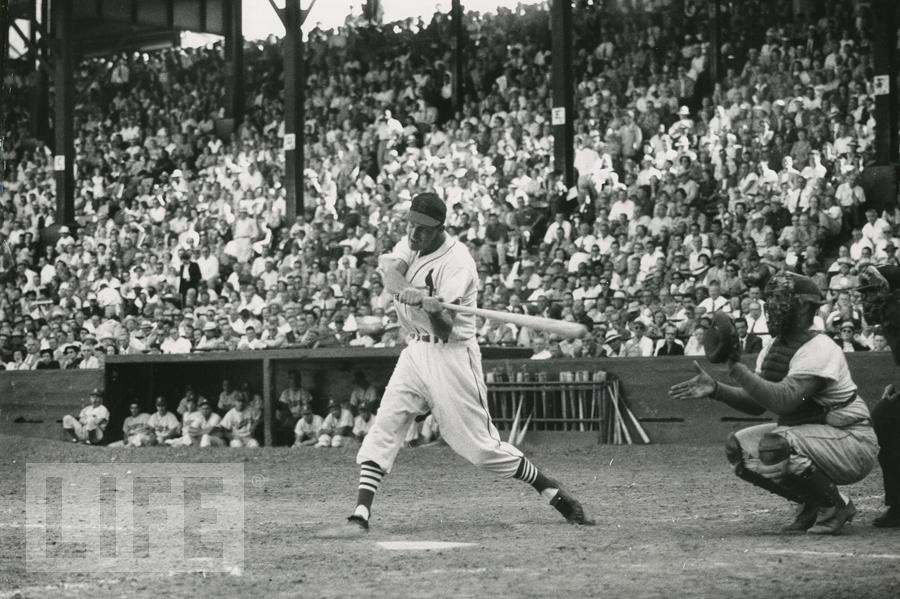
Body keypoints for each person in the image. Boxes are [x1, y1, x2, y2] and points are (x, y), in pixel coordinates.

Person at [343, 192, 592, 534]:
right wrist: (410, 292)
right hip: (416, 351)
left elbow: (445, 330)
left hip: (452, 356)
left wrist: (435, 309)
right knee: (387, 422)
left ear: (440, 228)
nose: (415, 234)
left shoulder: (458, 263)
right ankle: (361, 513)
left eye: (424, 229)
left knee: (479, 449)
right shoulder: (410, 241)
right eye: (411, 226)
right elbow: (390, 274)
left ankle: (553, 491)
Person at [669, 272, 877, 534]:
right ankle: (812, 501)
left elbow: (786, 401)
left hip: (851, 439)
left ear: (803, 306)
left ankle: (835, 505)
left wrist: (735, 367)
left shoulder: (821, 347)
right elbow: (758, 403)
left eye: (781, 299)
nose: (772, 306)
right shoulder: (773, 346)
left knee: (774, 446)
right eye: (771, 299)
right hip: (814, 437)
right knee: (739, 448)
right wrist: (717, 389)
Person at [856, 265, 900, 527]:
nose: (868, 298)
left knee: (883, 421)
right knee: (883, 421)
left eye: (873, 291)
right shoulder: (891, 316)